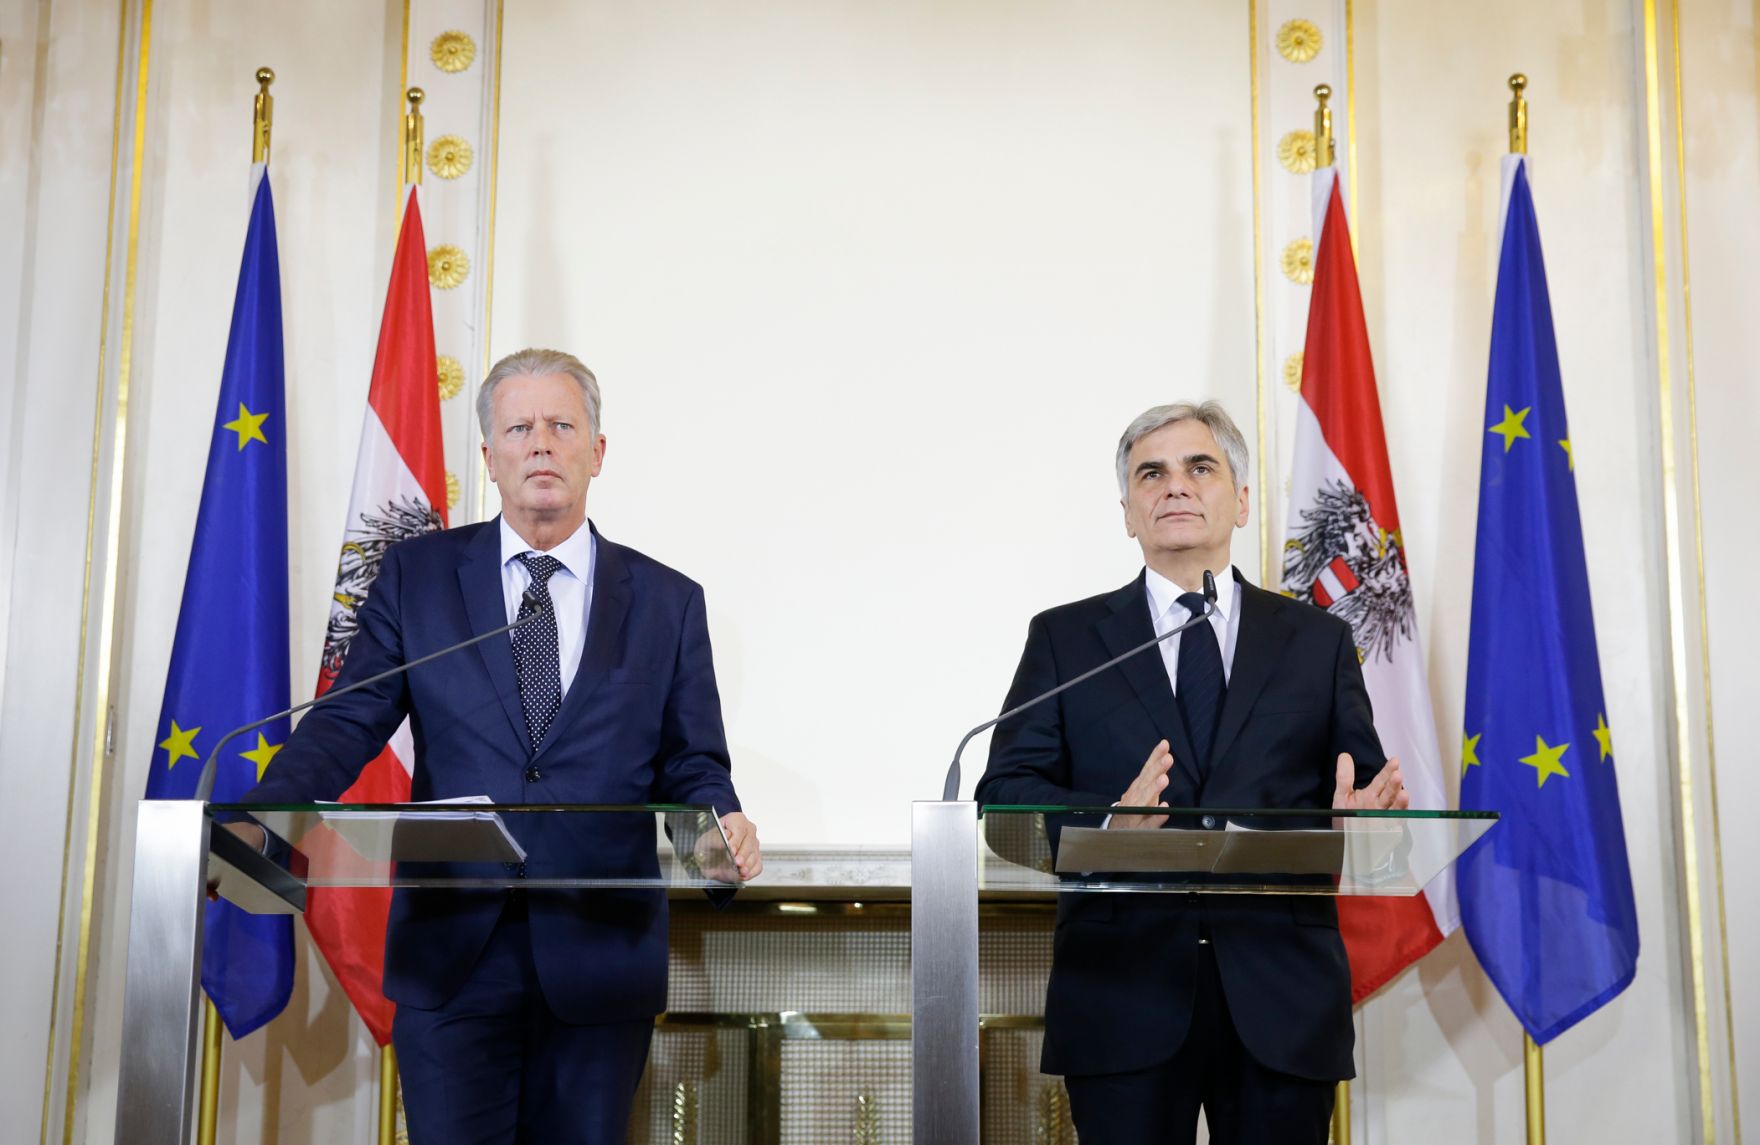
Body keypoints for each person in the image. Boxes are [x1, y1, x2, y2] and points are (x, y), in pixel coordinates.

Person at [241, 347, 762, 1143]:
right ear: (489, 457)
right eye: (519, 428)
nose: (542, 444)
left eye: (562, 425)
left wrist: (718, 828)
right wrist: (260, 812)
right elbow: (350, 720)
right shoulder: (419, 577)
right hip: (453, 954)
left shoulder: (666, 600)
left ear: (598, 450)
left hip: (599, 958)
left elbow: (691, 759)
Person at [973, 402, 1407, 1145]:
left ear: (1240, 499)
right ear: (1128, 513)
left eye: (1199, 467)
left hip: (1281, 998)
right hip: (1123, 996)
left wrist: (1363, 824)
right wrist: (1106, 825)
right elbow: (1003, 799)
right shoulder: (1068, 639)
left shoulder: (1317, 643)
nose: (1175, 486)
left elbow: (1362, 801)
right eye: (1152, 473)